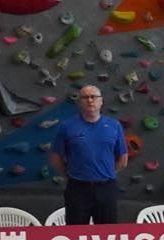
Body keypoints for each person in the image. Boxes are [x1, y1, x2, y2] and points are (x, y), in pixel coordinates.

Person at [48, 85, 128, 224]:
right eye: (85, 97)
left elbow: (123, 158)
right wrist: (70, 174)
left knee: (107, 235)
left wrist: (108, 173)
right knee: (75, 235)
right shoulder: (67, 126)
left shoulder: (114, 125)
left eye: (94, 97)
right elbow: (56, 158)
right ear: (80, 102)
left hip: (106, 188)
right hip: (77, 189)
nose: (90, 100)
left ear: (101, 101)